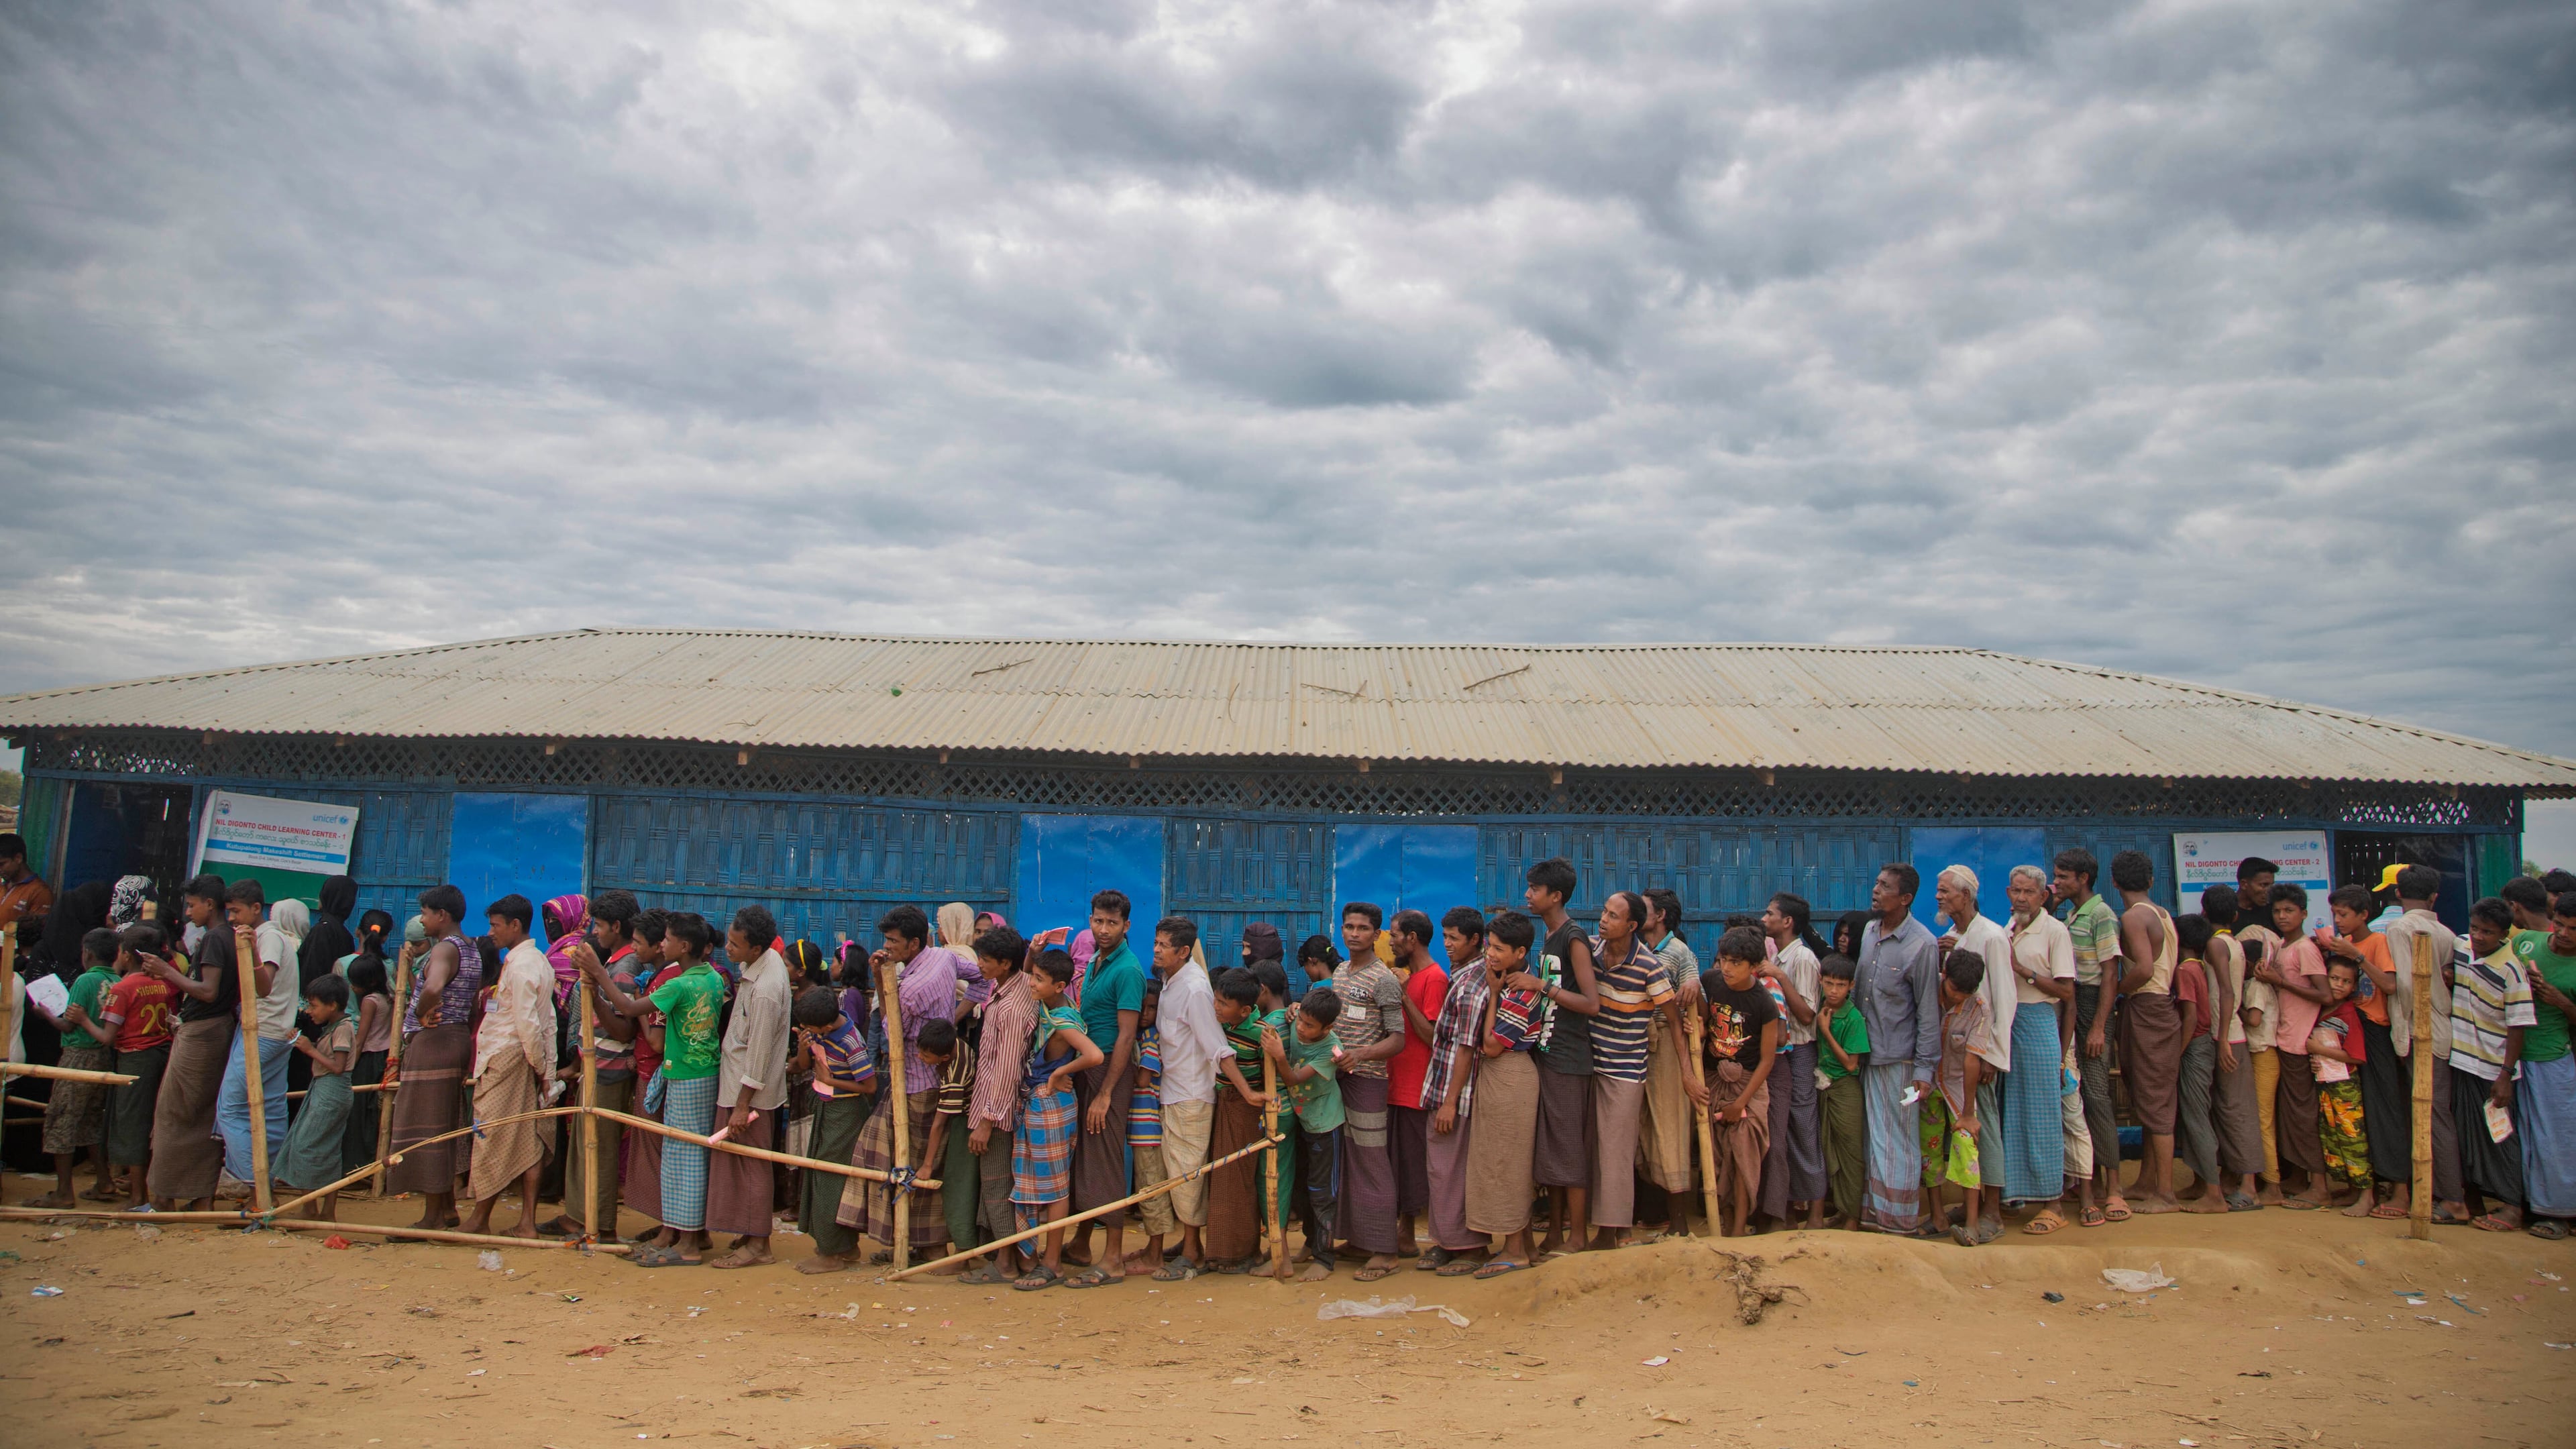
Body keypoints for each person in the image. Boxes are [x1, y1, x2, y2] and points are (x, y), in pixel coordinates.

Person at [589, 912, 722, 1264]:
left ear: (685, 946)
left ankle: (689, 1245)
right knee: (686, 1155)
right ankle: (685, 1235)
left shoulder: (678, 984)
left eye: (667, 939)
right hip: (702, 1072)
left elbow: (630, 1007)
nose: (663, 944)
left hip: (686, 1075)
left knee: (686, 1157)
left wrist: (599, 974)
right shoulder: (710, 977)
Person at [831, 905, 957, 1263]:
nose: (887, 947)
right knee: (898, 1163)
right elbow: (977, 981)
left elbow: (891, 1033)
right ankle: (911, 1243)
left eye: (893, 941)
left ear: (914, 943)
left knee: (914, 1166)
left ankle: (930, 1247)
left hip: (918, 1085)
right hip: (916, 1083)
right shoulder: (943, 958)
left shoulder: (914, 986)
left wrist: (883, 984)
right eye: (886, 939)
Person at [1585, 890, 1692, 1249]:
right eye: (1604, 911)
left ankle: (1609, 1232)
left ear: (1632, 925)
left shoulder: (1650, 966)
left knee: (1616, 1152)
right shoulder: (1591, 952)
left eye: (1613, 916)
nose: (1603, 919)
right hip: (1591, 1064)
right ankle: (1615, 1229)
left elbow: (1675, 1022)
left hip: (1626, 1070)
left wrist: (1688, 1074)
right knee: (1599, 1150)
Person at [384, 885, 482, 1230]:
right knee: (442, 1125)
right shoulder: (471, 949)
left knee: (427, 1127)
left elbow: (433, 987)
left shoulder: (444, 948)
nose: (422, 919)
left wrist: (424, 1014)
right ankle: (446, 1209)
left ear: (442, 915)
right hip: (454, 1040)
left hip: (436, 1043)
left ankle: (432, 1216)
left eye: (425, 913)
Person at [697, 908, 789, 1269]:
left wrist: (741, 1106)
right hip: (740, 1088)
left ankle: (759, 1245)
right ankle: (749, 1233)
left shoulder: (766, 988)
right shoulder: (759, 966)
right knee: (740, 1164)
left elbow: (760, 1052)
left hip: (749, 1096)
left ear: (756, 948)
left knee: (752, 1165)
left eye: (736, 945)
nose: (728, 949)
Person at [545, 890, 640, 1238]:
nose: (595, 932)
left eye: (599, 926)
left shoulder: (624, 967)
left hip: (610, 1069)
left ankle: (598, 1224)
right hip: (595, 1065)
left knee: (598, 1149)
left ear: (616, 926)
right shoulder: (614, 962)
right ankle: (576, 1215)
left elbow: (622, 1028)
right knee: (584, 1146)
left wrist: (597, 981)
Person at [461, 895, 557, 1239]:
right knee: (529, 1138)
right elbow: (547, 1024)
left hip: (509, 1058)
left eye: (496, 925)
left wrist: (538, 1066)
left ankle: (480, 1217)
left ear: (515, 926)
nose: (491, 932)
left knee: (490, 1135)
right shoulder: (536, 961)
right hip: (525, 1059)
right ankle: (526, 1222)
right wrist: (546, 1070)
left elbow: (530, 1024)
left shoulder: (522, 965)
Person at [1518, 859, 1601, 1258]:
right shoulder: (1548, 936)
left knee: (1569, 1148)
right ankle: (1553, 1233)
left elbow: (1591, 1003)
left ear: (1556, 896)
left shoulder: (1573, 938)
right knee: (1550, 1150)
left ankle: (1578, 1237)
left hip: (1570, 1059)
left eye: (1534, 890)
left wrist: (1540, 987)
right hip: (1548, 1055)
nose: (1527, 896)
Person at [138, 876, 235, 1210]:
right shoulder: (227, 937)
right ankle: (200, 1198)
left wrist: (166, 971)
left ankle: (164, 1198)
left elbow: (208, 991)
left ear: (210, 903)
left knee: (173, 1114)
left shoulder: (215, 940)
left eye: (192, 904)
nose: (188, 911)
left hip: (202, 1033)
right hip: (215, 1030)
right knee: (201, 1114)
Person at [2373, 870, 2463, 1223]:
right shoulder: (2446, 932)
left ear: (2397, 893)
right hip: (2439, 1026)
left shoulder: (2399, 929)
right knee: (2434, 1113)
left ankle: (2452, 1198)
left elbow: (2407, 987)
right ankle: (2442, 1193)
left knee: (2433, 1115)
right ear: (2434, 897)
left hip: (2420, 1029)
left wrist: (2406, 1030)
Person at [1067, 890, 1146, 1287]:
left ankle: (1113, 1255)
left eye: (1112, 922)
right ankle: (1081, 1242)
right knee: (1085, 1158)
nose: (1103, 929)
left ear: (1126, 926)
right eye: (1098, 920)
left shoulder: (1128, 969)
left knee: (1107, 1160)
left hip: (1109, 1075)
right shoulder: (1097, 961)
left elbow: (1127, 1036)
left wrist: (1106, 1093)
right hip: (1088, 1068)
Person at [1011, 948, 1101, 1291]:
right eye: (1034, 976)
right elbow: (1025, 977)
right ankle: (1040, 1257)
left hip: (1051, 1105)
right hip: (1043, 1102)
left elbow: (1094, 1055)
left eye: (1039, 980)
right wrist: (1033, 954)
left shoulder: (1062, 1021)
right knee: (1038, 1182)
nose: (1032, 983)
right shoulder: (1053, 1004)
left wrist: (1059, 1072)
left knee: (1055, 1186)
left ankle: (1051, 1264)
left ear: (1059, 984)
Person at [1857, 864, 1940, 1235]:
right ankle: (1875, 1214)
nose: (1876, 890)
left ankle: (1899, 1222)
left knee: (1901, 1138)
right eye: (1876, 883)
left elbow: (1928, 1012)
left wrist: (1925, 1071)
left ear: (1905, 899)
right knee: (1875, 1135)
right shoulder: (1870, 931)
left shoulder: (1922, 944)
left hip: (1904, 1063)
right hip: (1868, 1057)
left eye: (1885, 886)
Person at [1330, 901, 1408, 1279]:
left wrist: (1362, 1055)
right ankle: (1359, 1239)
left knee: (1373, 1162)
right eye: (1349, 926)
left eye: (1363, 928)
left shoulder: (1385, 978)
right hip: (1337, 1080)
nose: (1354, 933)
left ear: (1376, 935)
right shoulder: (1340, 972)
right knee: (1348, 1159)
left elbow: (1398, 1039)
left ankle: (1385, 1250)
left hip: (1369, 1082)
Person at [1464, 910, 1544, 1279]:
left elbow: (1493, 1045)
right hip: (1504, 1078)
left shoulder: (1520, 989)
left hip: (1509, 1076)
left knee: (1506, 1163)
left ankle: (1514, 1250)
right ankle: (1522, 1243)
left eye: (1499, 949)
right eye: (1489, 947)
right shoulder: (1512, 981)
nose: (1490, 954)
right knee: (1505, 1160)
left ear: (1520, 952)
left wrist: (1494, 996)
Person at [1935, 865, 2014, 1242]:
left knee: (1985, 1128)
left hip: (1979, 1054)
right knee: (1960, 1135)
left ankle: (1993, 1212)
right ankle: (1974, 1205)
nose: (1939, 897)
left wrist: (1990, 1057)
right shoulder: (1951, 937)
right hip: (1951, 1060)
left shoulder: (1993, 936)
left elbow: (2002, 999)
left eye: (1946, 891)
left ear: (1966, 896)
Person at [2001, 866, 2080, 1232]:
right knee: (2013, 1116)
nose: (2021, 898)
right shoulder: (2008, 927)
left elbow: (2066, 991)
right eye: (2016, 891)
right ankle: (2015, 1194)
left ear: (2043, 896)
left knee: (2043, 1117)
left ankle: (2054, 1203)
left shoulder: (2054, 931)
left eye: (2029, 892)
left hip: (2038, 1024)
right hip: (2010, 1025)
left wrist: (2022, 971)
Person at [2106, 851, 2184, 1215]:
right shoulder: (2162, 913)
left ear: (2115, 882)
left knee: (2155, 1101)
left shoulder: (2133, 916)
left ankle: (2165, 1194)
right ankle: (2147, 1182)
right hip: (2161, 1008)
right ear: (2151, 881)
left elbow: (2145, 969)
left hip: (2148, 1007)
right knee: (2151, 1100)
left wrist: (2117, 989)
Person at [2053, 848, 2128, 1220]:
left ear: (2083, 878)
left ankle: (2114, 1188)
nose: (2057, 882)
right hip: (2074, 1005)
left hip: (2092, 1004)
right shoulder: (2070, 916)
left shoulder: (2101, 915)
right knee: (2076, 1094)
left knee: (2097, 1095)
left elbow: (2110, 974)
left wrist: (2099, 1025)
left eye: (2063, 877)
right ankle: (2089, 1179)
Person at [958, 926, 1035, 1283]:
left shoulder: (1014, 1009)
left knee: (997, 1184)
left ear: (1005, 964)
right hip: (993, 1107)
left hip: (999, 1114)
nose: (980, 966)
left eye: (986, 961)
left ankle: (1005, 1261)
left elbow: (1006, 1072)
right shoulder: (1011, 988)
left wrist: (987, 1121)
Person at [1152, 907, 1223, 1281]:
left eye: (1166, 946)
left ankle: (1193, 1251)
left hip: (1192, 1093)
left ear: (1184, 951)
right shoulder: (1171, 980)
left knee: (1189, 1176)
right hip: (1173, 1090)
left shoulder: (1195, 988)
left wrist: (1243, 1089)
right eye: (1156, 943)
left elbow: (1216, 1046)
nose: (1158, 951)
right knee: (1177, 1173)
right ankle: (1187, 1241)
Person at [1421, 906, 1492, 1274]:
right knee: (1443, 1168)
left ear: (1475, 940)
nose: (1447, 945)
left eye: (1454, 939)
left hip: (1456, 1094)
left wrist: (1450, 1102)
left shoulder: (1471, 984)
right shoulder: (1465, 975)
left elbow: (1466, 1046)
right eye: (1445, 937)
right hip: (1447, 1087)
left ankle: (1469, 1246)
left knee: (1450, 1169)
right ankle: (1447, 1241)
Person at [789, 983, 878, 1274]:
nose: (812, 1032)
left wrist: (831, 1081)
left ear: (828, 1024)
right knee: (819, 1174)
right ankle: (844, 1246)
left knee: (831, 1179)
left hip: (847, 1113)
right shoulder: (819, 1031)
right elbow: (804, 1065)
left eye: (814, 1029)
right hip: (826, 1108)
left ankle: (832, 1253)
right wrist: (805, 1048)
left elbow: (869, 1086)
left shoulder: (851, 1042)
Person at [2255, 883, 2334, 1209]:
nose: (2282, 916)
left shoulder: (2304, 949)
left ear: (2303, 913)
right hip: (2286, 1040)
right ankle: (2299, 1178)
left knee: (2303, 1116)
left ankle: (2319, 1186)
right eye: (2277, 911)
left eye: (2289, 911)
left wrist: (2281, 982)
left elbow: (2326, 995)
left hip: (2301, 1043)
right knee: (2290, 1116)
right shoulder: (2284, 946)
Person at [1699, 925, 1782, 1238]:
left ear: (1753, 965)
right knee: (1717, 1155)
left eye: (1736, 963)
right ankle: (1720, 1220)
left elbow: (1767, 1060)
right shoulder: (1712, 981)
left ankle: (1738, 1230)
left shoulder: (1764, 1003)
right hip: (1713, 1080)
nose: (1727, 968)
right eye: (1724, 961)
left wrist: (1741, 1103)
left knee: (1744, 1155)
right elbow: (1704, 1015)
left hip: (1747, 1085)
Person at [1750, 892, 1823, 1234]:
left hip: (1800, 1050)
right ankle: (1789, 1205)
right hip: (1782, 1054)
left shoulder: (1803, 958)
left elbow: (1808, 1014)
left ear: (1788, 922)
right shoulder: (1777, 954)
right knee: (1783, 1132)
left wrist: (1781, 977)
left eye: (1770, 914)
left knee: (1803, 1128)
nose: (1764, 919)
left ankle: (1816, 1210)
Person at [30, 925, 119, 1205]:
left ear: (87, 953)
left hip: (78, 1055)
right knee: (92, 1120)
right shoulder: (116, 979)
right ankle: (104, 1182)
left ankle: (63, 1192)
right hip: (104, 1058)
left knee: (62, 1120)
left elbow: (68, 1024)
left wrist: (45, 1013)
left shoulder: (84, 981)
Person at [215, 881, 295, 1195]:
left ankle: (254, 1184)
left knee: (231, 1108)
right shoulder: (274, 936)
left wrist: (251, 952)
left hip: (263, 1031)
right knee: (273, 1109)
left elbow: (264, 987)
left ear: (256, 909)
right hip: (277, 1032)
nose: (232, 918)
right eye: (229, 912)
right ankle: (268, 1181)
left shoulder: (268, 938)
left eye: (236, 911)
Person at [1263, 985, 1346, 1281]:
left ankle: (1325, 1259)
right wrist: (1293, 1009)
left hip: (1326, 1126)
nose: (1300, 1028)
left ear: (1328, 1028)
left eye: (1310, 1026)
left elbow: (1294, 1079)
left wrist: (1279, 1056)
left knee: (1323, 1194)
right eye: (1301, 1020)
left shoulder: (1331, 1051)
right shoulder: (1299, 1016)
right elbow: (1292, 1012)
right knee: (1304, 1190)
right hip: (1303, 1123)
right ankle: (1311, 1245)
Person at [1206, 959, 1281, 1272]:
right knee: (1222, 1179)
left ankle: (1240, 1252)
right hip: (1223, 1103)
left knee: (1238, 1180)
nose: (1217, 1007)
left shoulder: (1263, 1034)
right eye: (1217, 1000)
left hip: (1245, 1112)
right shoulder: (1220, 1026)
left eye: (1224, 1004)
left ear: (1246, 1010)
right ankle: (1223, 1250)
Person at [1383, 910, 1448, 1265]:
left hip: (1415, 1087)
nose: (1390, 941)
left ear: (1411, 938)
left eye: (1394, 935)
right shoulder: (1414, 975)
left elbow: (1433, 1036)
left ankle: (1407, 1235)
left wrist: (1404, 995)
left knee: (1410, 1165)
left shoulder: (1434, 979)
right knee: (1395, 1162)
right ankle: (1398, 1231)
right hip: (1396, 1083)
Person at [1635, 890, 1701, 1237]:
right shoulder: (1634, 947)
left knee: (1670, 1128)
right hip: (1635, 1045)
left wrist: (1691, 985)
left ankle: (1679, 1223)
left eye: (1643, 908)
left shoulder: (1678, 951)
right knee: (1644, 1131)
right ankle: (1654, 1214)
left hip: (1665, 1046)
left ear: (1660, 915)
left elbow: (1693, 981)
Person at [2512, 892, 2576, 1239]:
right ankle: (2528, 1206)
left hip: (2553, 1059)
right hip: (2511, 1055)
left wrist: (2560, 1002)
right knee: (2524, 1139)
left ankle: (2560, 1213)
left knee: (2558, 1140)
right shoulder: (2526, 942)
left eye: (2573, 929)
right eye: (2560, 925)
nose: (2564, 934)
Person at [99, 922, 176, 1209]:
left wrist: (82, 1020)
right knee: (151, 1122)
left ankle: (138, 1196)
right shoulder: (161, 983)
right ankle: (148, 1192)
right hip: (160, 1053)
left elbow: (107, 1037)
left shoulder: (122, 988)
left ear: (127, 955)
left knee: (132, 1125)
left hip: (134, 1057)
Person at [2198, 885, 2264, 1213]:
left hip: (2229, 1036)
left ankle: (2249, 1187)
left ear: (2204, 912)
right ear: (2236, 915)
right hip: (2229, 1033)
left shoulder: (2216, 944)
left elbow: (2226, 992)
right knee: (2228, 1109)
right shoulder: (2234, 943)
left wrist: (2222, 1038)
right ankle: (2231, 1180)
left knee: (2236, 1110)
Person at [1927, 949, 1998, 1246]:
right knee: (1928, 1150)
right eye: (1954, 990)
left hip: (1958, 1084)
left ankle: (1972, 1225)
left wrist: (1968, 1113)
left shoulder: (1979, 1009)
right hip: (1927, 1081)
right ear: (1945, 977)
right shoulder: (1927, 990)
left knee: (1967, 1145)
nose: (1957, 998)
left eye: (1964, 994)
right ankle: (1937, 1216)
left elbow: (1972, 1061)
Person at [275, 975, 358, 1220]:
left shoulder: (343, 1029)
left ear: (332, 1005)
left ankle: (311, 1208)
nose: (309, 1011)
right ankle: (325, 1211)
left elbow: (338, 1067)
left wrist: (309, 1050)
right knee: (328, 1150)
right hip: (327, 1091)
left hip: (331, 1092)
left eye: (314, 1006)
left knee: (305, 1146)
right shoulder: (335, 1027)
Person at [2169, 915, 2229, 1214]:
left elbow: (2191, 1017)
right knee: (2194, 1115)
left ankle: (2214, 1194)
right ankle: (2200, 1182)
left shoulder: (2184, 970)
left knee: (2196, 1118)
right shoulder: (2200, 967)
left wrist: (2177, 1053)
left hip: (2195, 1046)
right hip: (2202, 1045)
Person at [2233, 866, 2286, 1203]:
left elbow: (2253, 1020)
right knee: (2262, 1118)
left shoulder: (2255, 988)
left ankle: (2274, 1186)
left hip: (2263, 1054)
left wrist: (2232, 1007)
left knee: (2262, 1120)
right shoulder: (2260, 984)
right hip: (2263, 1054)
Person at [2306, 959, 2371, 1208]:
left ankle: (2366, 1195)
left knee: (2353, 1138)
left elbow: (2356, 1056)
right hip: (2326, 1083)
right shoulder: (2322, 1010)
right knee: (2333, 1137)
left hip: (2345, 1088)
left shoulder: (2348, 1014)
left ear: (2354, 986)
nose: (2339, 985)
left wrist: (2318, 1049)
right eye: (2335, 979)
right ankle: (2353, 1189)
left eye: (2346, 982)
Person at [1120, 979, 1173, 1277]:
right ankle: (1152, 1249)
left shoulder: (1151, 1038)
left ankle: (1155, 1253)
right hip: (1140, 1127)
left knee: (1153, 1189)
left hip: (1148, 1128)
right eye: (1141, 1006)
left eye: (1152, 1008)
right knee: (1146, 1188)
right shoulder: (1141, 1034)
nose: (1145, 1012)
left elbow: (1142, 1080)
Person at [337, 910, 396, 1175]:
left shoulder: (371, 1002)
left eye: (355, 984)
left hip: (369, 1058)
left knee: (360, 1113)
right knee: (374, 1112)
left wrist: (351, 1061)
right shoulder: (388, 997)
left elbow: (361, 1040)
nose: (351, 988)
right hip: (383, 1056)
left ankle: (357, 1165)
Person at [1814, 955, 1869, 1228]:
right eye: (1829, 983)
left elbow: (1850, 1063)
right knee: (1829, 1149)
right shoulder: (1820, 1007)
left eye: (1840, 985)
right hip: (1824, 1087)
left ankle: (1853, 1217)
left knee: (1850, 1154)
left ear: (1851, 986)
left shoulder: (1854, 1018)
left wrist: (1826, 1031)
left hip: (1845, 1091)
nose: (1834, 990)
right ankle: (1840, 1209)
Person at [0, 833, 54, 946]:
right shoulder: (3, 886)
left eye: (2, 864)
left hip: (13, 961)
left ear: (18, 858)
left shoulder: (39, 892)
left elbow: (36, 936)